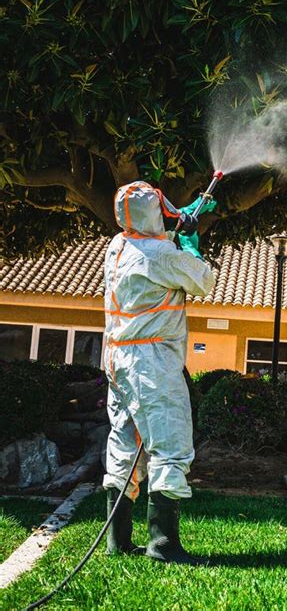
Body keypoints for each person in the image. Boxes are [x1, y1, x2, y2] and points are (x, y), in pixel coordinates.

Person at [102, 181, 215, 564]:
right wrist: (191, 240)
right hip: (152, 361)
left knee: (124, 442)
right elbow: (203, 280)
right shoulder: (162, 254)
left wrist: (181, 219)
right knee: (170, 442)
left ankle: (118, 541)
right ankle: (163, 545)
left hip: (118, 360)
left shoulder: (117, 248)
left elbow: (151, 237)